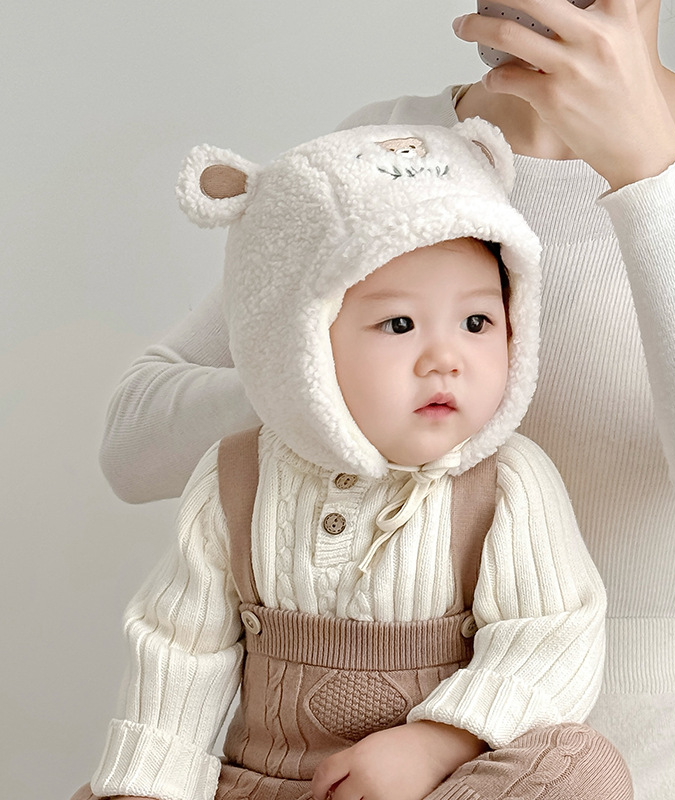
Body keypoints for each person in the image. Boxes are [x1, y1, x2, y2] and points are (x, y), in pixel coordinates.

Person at [97, 1, 675, 797]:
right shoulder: (398, 154)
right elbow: (135, 437)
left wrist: (649, 168)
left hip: (660, 750)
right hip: (346, 758)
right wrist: (328, 386)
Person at [71, 120, 634, 800]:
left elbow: (553, 637)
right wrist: (146, 787)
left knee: (582, 764)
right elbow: (178, 651)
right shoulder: (236, 478)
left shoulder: (507, 484)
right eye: (399, 325)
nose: (445, 357)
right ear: (293, 345)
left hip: (439, 783)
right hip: (268, 784)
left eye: (478, 322)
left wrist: (438, 741)